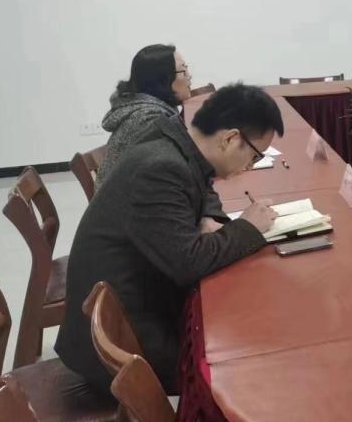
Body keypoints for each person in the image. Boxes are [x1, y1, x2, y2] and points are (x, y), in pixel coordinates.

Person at [56, 83, 282, 394]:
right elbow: (188, 263)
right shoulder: (160, 168)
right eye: (254, 156)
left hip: (138, 302)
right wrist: (247, 227)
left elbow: (203, 183)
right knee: (246, 359)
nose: (249, 167)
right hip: (123, 343)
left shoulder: (173, 139)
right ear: (230, 139)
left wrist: (211, 218)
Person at [95, 44, 193, 181]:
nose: (189, 76)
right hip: (134, 193)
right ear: (162, 78)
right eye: (183, 71)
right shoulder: (148, 119)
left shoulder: (155, 109)